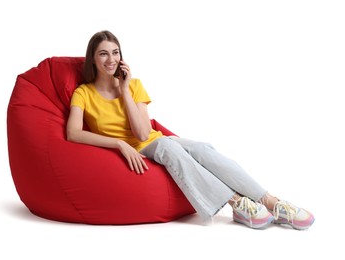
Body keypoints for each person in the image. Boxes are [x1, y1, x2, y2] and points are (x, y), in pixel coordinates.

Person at [66, 30, 315, 230]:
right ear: (93, 59)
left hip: (154, 140)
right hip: (140, 147)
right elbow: (73, 133)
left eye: (115, 52)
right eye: (103, 54)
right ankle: (237, 203)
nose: (111, 60)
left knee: (202, 149)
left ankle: (272, 202)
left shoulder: (134, 85)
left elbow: (143, 132)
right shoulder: (83, 93)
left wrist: (124, 90)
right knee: (168, 146)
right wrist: (119, 144)